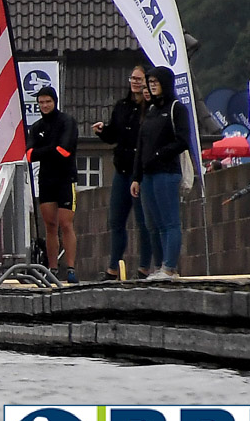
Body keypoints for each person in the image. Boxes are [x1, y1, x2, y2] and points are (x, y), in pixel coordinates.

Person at [92, 65, 152, 279]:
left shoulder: (150, 108)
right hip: (122, 169)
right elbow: (114, 135)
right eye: (133, 78)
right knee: (116, 220)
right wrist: (102, 131)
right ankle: (112, 268)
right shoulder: (122, 106)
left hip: (141, 172)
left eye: (140, 79)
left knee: (143, 222)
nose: (136, 82)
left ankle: (145, 267)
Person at [132, 66, 190, 280]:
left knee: (170, 222)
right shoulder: (151, 111)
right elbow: (141, 144)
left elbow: (183, 140)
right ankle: (161, 264)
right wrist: (136, 177)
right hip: (148, 175)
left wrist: (160, 153)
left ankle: (169, 266)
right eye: (150, 82)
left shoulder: (176, 108)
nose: (152, 85)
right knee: (153, 224)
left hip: (166, 171)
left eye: (156, 81)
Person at [27, 87, 80, 283]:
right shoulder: (37, 126)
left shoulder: (67, 121)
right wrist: (52, 149)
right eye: (41, 102)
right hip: (46, 178)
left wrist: (44, 150)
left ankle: (71, 267)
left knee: (66, 223)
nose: (44, 105)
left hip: (66, 177)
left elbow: (65, 150)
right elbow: (30, 155)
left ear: (54, 101)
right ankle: (52, 268)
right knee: (50, 225)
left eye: (48, 101)